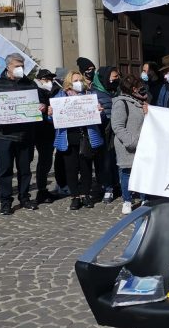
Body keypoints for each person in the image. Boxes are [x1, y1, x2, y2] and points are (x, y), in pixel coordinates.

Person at [0, 53, 47, 215]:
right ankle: (5, 201)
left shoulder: (30, 84)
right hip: (4, 135)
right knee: (5, 170)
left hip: (26, 134)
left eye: (22, 66)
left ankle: (24, 197)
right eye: (17, 66)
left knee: (24, 169)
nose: (20, 69)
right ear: (8, 67)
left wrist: (42, 106)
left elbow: (42, 101)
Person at [48, 71, 105, 210]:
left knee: (86, 168)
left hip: (85, 136)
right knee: (71, 169)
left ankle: (85, 195)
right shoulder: (60, 96)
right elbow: (52, 120)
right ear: (69, 83)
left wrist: (100, 111)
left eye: (80, 80)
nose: (78, 82)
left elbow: (100, 119)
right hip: (68, 138)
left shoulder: (89, 96)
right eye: (75, 80)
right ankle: (75, 197)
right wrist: (50, 114)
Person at [112, 74, 148, 215]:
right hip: (128, 145)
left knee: (143, 172)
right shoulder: (121, 103)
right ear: (133, 89)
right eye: (139, 86)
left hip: (142, 144)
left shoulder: (141, 102)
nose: (142, 88)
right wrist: (131, 142)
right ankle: (127, 201)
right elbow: (118, 126)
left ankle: (145, 199)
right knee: (127, 173)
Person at [91, 65, 121, 203]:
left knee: (117, 160)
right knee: (105, 162)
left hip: (118, 130)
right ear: (105, 78)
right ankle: (107, 187)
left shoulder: (117, 91)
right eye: (114, 77)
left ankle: (117, 184)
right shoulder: (94, 94)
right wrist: (99, 113)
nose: (117, 79)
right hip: (104, 132)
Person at [33, 69, 62, 204]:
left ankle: (60, 185)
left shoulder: (57, 89)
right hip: (41, 129)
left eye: (50, 78)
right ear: (39, 79)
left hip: (56, 128)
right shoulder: (34, 91)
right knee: (44, 161)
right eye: (45, 78)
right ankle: (41, 189)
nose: (48, 81)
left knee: (51, 159)